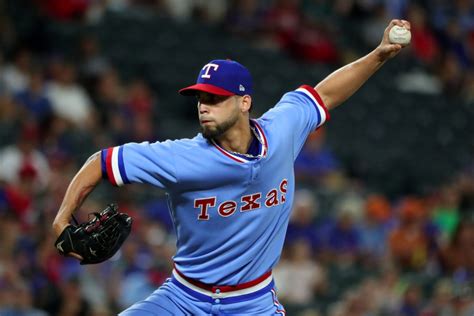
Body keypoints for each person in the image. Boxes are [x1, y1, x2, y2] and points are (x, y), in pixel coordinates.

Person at [52, 19, 411, 315]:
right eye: (200, 99)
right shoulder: (181, 158)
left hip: (252, 303)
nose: (203, 107)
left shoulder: (283, 129)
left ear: (244, 102)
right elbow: (99, 162)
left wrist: (378, 55)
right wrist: (62, 218)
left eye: (215, 99)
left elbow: (327, 93)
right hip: (182, 298)